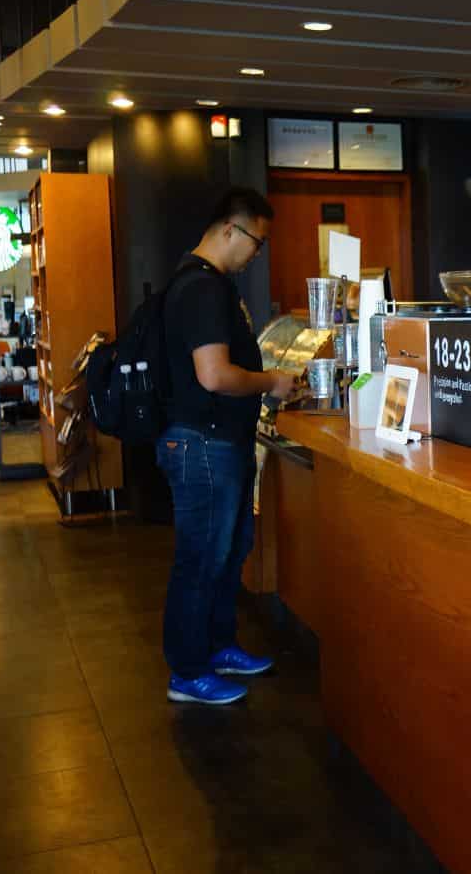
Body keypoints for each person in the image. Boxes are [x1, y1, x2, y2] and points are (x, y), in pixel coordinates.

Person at [157, 187, 293, 705]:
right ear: (231, 230)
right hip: (202, 444)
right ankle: (188, 671)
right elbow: (213, 376)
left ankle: (217, 647)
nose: (258, 254)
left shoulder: (207, 284)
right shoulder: (201, 289)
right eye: (257, 241)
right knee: (201, 559)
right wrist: (271, 382)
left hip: (215, 443)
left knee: (228, 550)